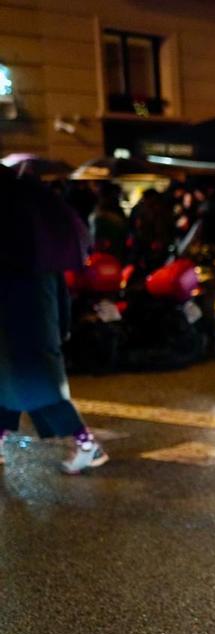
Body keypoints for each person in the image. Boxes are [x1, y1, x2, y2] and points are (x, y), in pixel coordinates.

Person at [0, 166, 108, 474]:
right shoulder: (38, 245)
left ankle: (87, 444)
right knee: (10, 384)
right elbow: (59, 298)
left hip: (24, 331)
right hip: (28, 328)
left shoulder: (17, 253)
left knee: (35, 387)